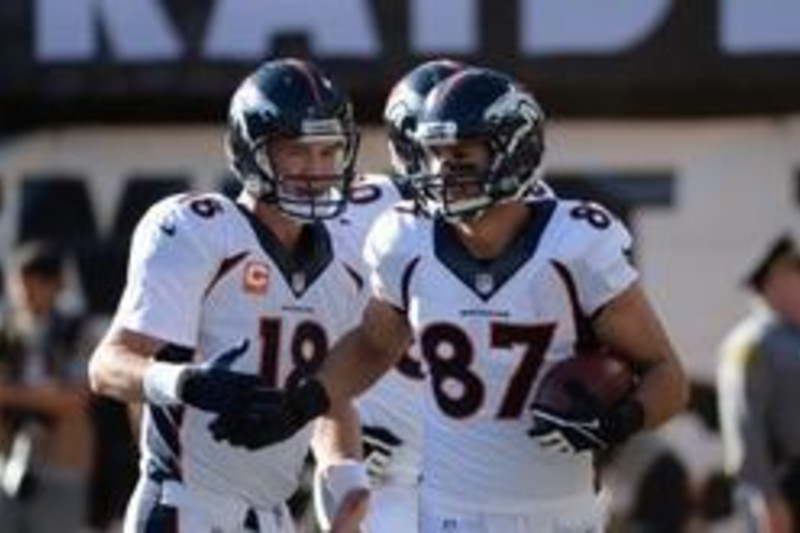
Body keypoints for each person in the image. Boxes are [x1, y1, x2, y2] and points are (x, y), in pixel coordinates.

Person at [212, 67, 689, 532]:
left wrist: (621, 418)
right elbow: (374, 346)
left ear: (514, 151)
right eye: (435, 152)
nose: (443, 169)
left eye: (462, 153)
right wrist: (301, 405)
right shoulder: (405, 238)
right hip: (449, 513)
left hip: (561, 514)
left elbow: (666, 374)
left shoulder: (576, 243)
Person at [87, 57, 374, 533]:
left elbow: (330, 394)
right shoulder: (200, 229)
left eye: (329, 150)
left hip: (274, 515)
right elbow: (107, 366)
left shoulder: (346, 255)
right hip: (186, 506)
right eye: (297, 151)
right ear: (251, 151)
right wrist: (188, 383)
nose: (316, 169)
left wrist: (347, 481)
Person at [313, 58, 467, 533]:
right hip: (380, 473)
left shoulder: (523, 215)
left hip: (482, 474)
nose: (455, 160)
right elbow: (316, 349)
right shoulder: (356, 214)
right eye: (440, 144)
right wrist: (340, 458)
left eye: (470, 144)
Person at [0, 241, 94, 533]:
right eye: (19, 285)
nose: (24, 294)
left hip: (61, 465)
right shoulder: (7, 332)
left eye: (34, 284)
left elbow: (74, 401)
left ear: (55, 285)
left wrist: (13, 394)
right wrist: (43, 396)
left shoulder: (77, 331)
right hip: (8, 462)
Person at [717, 233, 800, 533]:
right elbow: (744, 427)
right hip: (783, 486)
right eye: (793, 275)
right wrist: (766, 499)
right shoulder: (751, 342)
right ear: (771, 283)